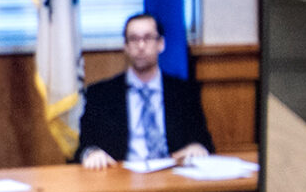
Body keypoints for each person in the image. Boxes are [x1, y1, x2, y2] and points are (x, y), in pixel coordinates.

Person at [74, 13, 214, 170]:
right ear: (125, 47)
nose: (140, 46)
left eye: (147, 38)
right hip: (121, 179)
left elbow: (205, 142)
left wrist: (198, 147)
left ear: (160, 44)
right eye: (133, 39)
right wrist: (92, 153)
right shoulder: (100, 94)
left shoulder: (184, 92)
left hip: (173, 178)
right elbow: (84, 147)